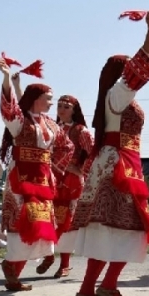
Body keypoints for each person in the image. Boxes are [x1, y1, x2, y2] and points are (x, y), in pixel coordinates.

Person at [71, 11, 149, 296]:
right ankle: (109, 285)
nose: (132, 69)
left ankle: (90, 288)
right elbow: (139, 69)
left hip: (115, 161)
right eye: (127, 67)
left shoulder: (116, 97)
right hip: (120, 164)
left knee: (109, 228)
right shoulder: (118, 93)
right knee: (131, 225)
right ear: (121, 71)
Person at [0, 58, 74, 291]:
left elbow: (67, 146)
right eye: (49, 100)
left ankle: (17, 270)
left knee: (42, 223)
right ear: (37, 100)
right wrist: (7, 78)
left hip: (43, 179)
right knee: (23, 223)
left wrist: (55, 168)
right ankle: (12, 268)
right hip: (21, 178)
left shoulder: (51, 123)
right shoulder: (20, 122)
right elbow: (10, 108)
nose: (52, 104)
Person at [36, 95, 94, 278]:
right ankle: (48, 255)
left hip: (71, 182)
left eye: (66, 106)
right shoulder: (51, 128)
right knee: (47, 218)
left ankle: (65, 264)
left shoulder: (81, 130)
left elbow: (93, 153)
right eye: (59, 105)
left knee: (66, 222)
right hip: (50, 179)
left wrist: (80, 170)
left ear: (74, 110)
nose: (61, 109)